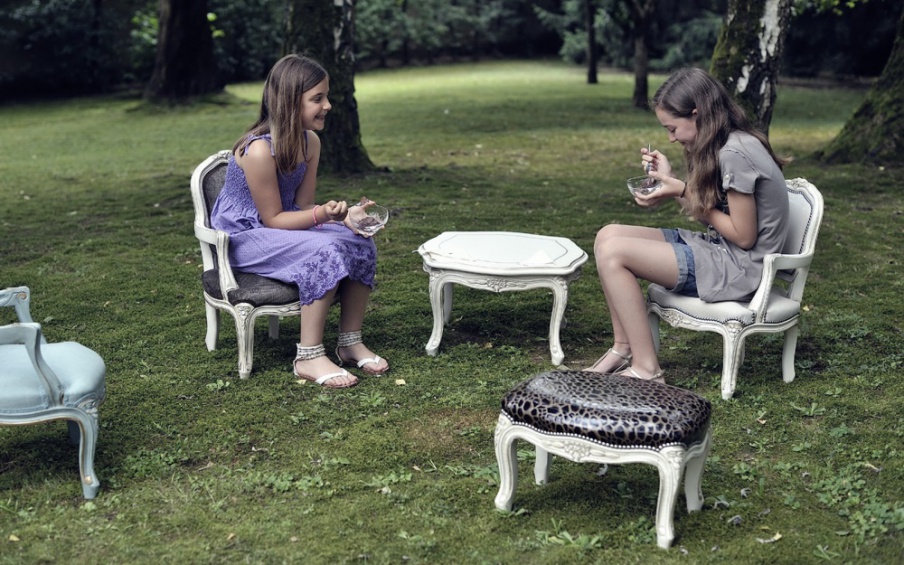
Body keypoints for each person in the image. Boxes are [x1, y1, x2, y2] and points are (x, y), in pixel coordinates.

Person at [586, 67, 789, 383]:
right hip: (721, 250)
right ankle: (623, 347)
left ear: (697, 114)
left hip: (740, 267)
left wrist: (681, 189)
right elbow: (709, 211)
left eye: (672, 128)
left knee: (615, 253)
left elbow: (744, 236)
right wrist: (670, 179)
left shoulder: (737, 152)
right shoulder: (725, 142)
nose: (670, 137)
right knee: (607, 235)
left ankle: (647, 370)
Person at [210, 54, 389, 389]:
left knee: (359, 238)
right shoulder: (258, 151)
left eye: (326, 96)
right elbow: (274, 219)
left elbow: (303, 207)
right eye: (317, 99)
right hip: (245, 238)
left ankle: (350, 342)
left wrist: (344, 216)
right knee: (323, 249)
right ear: (290, 103)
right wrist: (323, 217)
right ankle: (308, 356)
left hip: (279, 228)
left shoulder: (311, 142)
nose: (328, 105)